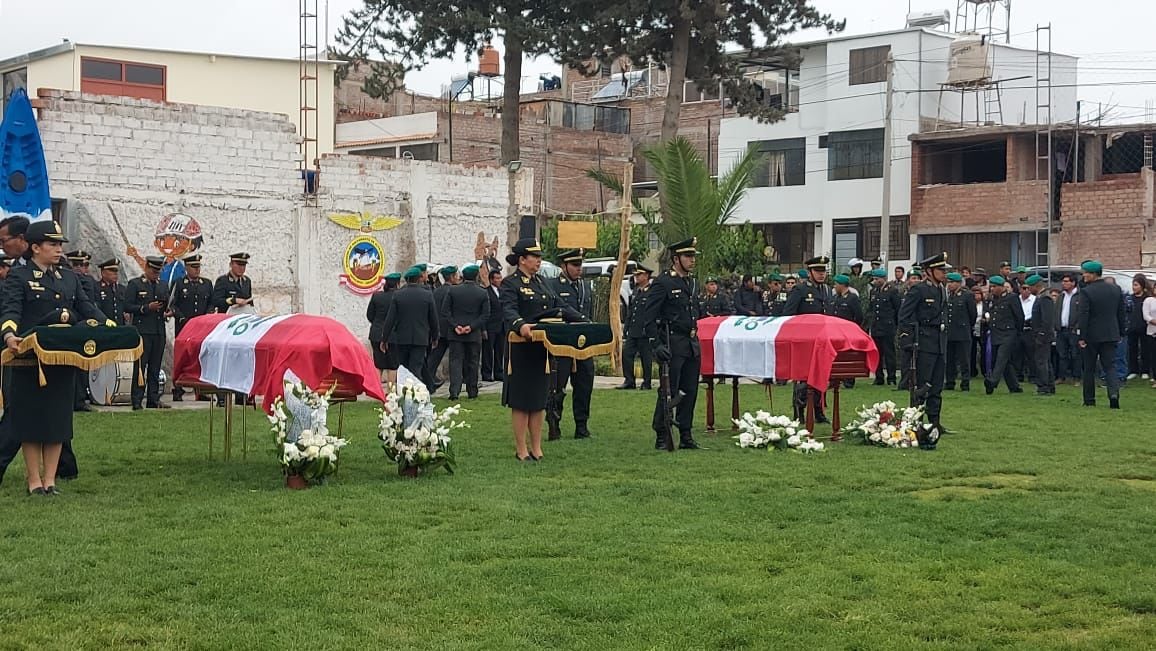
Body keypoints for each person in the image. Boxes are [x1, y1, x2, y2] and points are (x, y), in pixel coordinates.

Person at [0, 220, 111, 495]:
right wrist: (9, 335)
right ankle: (34, 481)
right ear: (35, 247)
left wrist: (111, 328)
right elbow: (11, 309)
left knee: (57, 420)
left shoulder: (69, 277)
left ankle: (50, 480)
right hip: (30, 361)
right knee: (30, 421)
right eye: (52, 244)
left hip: (62, 360)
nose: (58, 249)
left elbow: (87, 308)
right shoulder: (19, 276)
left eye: (60, 244)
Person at [500, 238, 585, 461]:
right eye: (534, 257)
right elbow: (508, 310)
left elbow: (560, 306)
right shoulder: (511, 284)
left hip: (542, 348)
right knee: (521, 400)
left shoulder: (542, 283)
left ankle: (536, 447)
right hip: (521, 348)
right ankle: (521, 449)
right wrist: (521, 325)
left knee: (538, 400)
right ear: (522, 260)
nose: (538, 261)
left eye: (539, 257)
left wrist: (583, 320)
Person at [641, 238, 703, 451]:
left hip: (691, 342)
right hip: (673, 341)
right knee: (669, 390)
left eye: (693, 256)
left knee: (690, 390)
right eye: (687, 256)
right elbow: (648, 317)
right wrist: (655, 344)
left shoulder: (692, 282)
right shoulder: (664, 282)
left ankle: (685, 432)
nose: (691, 260)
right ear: (676, 259)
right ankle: (661, 432)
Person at [897, 252, 949, 450]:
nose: (944, 273)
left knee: (936, 386)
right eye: (940, 270)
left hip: (939, 342)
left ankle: (935, 422)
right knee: (922, 386)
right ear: (929, 271)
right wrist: (909, 341)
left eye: (944, 270)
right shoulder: (918, 290)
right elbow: (905, 316)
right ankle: (916, 422)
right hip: (924, 343)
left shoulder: (942, 290)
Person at [546, 249, 596, 440]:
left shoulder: (585, 287)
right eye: (574, 265)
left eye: (580, 265)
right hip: (563, 344)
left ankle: (581, 426)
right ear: (563, 266)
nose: (578, 269)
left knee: (584, 386)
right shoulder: (553, 286)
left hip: (583, 345)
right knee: (558, 387)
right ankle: (554, 423)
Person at [783, 255, 832, 423]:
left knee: (821, 375)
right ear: (810, 272)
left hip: (822, 340)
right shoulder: (800, 290)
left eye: (823, 271)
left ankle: (819, 411)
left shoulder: (826, 290)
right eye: (817, 271)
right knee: (803, 378)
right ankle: (799, 413)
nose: (821, 274)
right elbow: (788, 315)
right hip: (804, 341)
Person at [1076, 260, 1126, 409]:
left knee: (1089, 368)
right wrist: (1121, 332)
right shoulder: (1115, 290)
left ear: (1093, 274)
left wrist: (1082, 336)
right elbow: (1121, 313)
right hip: (1111, 333)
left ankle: (1089, 399)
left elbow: (1083, 315)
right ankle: (1113, 394)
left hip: (1091, 335)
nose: (1083, 275)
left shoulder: (1086, 291)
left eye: (1085, 272)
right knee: (1110, 366)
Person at [125, 256, 172, 410]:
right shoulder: (135, 284)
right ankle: (137, 400)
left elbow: (165, 303)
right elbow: (127, 306)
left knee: (155, 367)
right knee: (140, 366)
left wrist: (166, 311)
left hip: (158, 330)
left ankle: (153, 399)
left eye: (158, 272)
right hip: (143, 331)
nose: (155, 275)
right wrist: (146, 308)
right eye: (153, 271)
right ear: (146, 268)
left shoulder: (163, 285)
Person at [380, 266, 439, 378]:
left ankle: (405, 392)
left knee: (403, 368)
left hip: (402, 338)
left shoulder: (398, 295)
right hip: (420, 338)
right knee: (416, 368)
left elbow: (390, 319)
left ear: (407, 280)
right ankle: (415, 393)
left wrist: (384, 338)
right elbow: (433, 319)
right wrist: (435, 337)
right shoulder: (427, 295)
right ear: (419, 279)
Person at [442, 264, 489, 401]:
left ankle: (454, 391)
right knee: (473, 362)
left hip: (455, 333)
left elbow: (445, 311)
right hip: (473, 333)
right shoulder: (482, 292)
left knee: (455, 362)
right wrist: (471, 326)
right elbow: (485, 315)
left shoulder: (453, 291)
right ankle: (472, 390)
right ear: (476, 276)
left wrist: (456, 325)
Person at [170, 254, 213, 401]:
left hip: (201, 328)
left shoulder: (206, 284)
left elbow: (211, 304)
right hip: (184, 326)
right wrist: (181, 318)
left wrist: (206, 317)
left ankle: (200, 390)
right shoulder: (180, 283)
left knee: (199, 357)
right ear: (187, 268)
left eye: (198, 267)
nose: (197, 270)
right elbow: (172, 304)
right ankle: (177, 389)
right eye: (193, 267)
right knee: (182, 358)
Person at [64, 250, 99, 412]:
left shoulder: (88, 281)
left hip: (85, 325)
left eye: (83, 265)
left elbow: (90, 303)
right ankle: (69, 399)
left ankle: (80, 399)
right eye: (76, 265)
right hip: (68, 324)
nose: (79, 268)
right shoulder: (66, 280)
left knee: (84, 364)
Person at [984, 276, 1025, 395]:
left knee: (1001, 358)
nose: (992, 289)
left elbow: (1019, 317)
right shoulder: (992, 299)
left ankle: (993, 381)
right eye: (991, 286)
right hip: (996, 332)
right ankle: (1014, 386)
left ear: (1002, 287)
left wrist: (1018, 332)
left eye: (995, 286)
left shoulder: (1012, 298)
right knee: (1005, 361)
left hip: (1008, 333)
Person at [424, 266, 458, 393]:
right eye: (456, 275)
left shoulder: (437, 291)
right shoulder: (453, 291)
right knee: (456, 358)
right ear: (452, 277)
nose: (458, 277)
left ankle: (429, 380)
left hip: (438, 329)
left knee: (434, 357)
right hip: (451, 329)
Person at [620, 266, 655, 390]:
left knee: (646, 357)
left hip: (644, 331)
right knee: (627, 354)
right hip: (633, 330)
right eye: (636, 275)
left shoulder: (651, 292)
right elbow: (631, 311)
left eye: (639, 275)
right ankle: (629, 380)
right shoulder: (635, 291)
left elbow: (651, 312)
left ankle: (647, 382)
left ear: (646, 276)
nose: (636, 277)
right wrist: (626, 328)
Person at [944, 272, 977, 391]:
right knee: (949, 360)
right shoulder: (947, 295)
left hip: (963, 332)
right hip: (950, 332)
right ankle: (950, 382)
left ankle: (965, 383)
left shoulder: (967, 295)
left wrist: (968, 326)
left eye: (952, 282)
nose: (949, 285)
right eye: (948, 282)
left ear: (958, 283)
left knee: (964, 360)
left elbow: (972, 314)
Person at [867, 268, 900, 385]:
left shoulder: (892, 291)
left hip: (888, 327)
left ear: (884, 279)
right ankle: (879, 377)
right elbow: (871, 309)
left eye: (877, 279)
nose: (875, 281)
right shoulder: (874, 292)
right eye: (874, 279)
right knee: (877, 354)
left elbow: (897, 309)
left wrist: (895, 326)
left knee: (889, 354)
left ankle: (891, 377)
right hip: (876, 327)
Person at [367, 272, 401, 386]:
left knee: (378, 363)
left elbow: (369, 315)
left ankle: (377, 390)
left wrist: (377, 324)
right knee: (393, 364)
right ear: (397, 283)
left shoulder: (377, 296)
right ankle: (390, 391)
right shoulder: (399, 296)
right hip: (394, 334)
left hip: (376, 333)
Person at [1026, 275, 1056, 395]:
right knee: (1045, 361)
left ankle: (1044, 386)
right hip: (1040, 334)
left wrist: (1041, 334)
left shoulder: (1045, 299)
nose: (1029, 290)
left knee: (1041, 361)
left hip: (1043, 335)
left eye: (1030, 287)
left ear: (1036, 285)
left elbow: (1047, 320)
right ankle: (1049, 385)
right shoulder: (1040, 297)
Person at [896, 267, 923, 392]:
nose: (916, 281)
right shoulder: (901, 294)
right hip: (905, 329)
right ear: (907, 280)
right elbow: (899, 312)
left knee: (918, 358)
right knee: (905, 358)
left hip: (917, 328)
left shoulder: (922, 294)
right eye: (913, 278)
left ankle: (916, 382)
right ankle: (904, 382)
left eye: (918, 278)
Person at [1055, 273, 1082, 384]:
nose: (1064, 283)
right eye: (1063, 281)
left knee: (1075, 354)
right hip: (1061, 329)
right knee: (1062, 354)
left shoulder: (1079, 296)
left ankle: (1077, 378)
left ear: (1073, 283)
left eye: (1066, 281)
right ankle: (1061, 377)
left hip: (1073, 330)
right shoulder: (1061, 296)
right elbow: (1057, 311)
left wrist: (1077, 327)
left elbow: (1081, 313)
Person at [481, 269, 505, 382]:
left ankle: (499, 372)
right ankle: (486, 373)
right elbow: (484, 311)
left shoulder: (502, 291)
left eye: (500, 278)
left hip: (501, 326)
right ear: (491, 280)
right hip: (490, 326)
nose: (499, 280)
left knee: (500, 350)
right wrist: (483, 328)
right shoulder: (486, 292)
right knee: (488, 351)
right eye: (497, 278)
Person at [1125, 274, 1150, 380]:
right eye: (1133, 285)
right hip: (1132, 328)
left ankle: (1145, 370)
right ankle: (1133, 370)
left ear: (1142, 286)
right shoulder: (1129, 298)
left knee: (1145, 350)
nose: (1134, 287)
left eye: (1136, 285)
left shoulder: (1147, 298)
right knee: (1132, 349)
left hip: (1145, 327)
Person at [95, 258, 126, 326]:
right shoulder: (96, 288)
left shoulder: (121, 289)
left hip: (120, 326)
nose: (115, 273)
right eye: (112, 270)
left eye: (116, 271)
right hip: (103, 327)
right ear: (103, 273)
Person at [1142, 281, 1156, 388]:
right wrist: (1153, 321)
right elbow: (1146, 315)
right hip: (1152, 332)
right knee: (1154, 356)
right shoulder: (1149, 300)